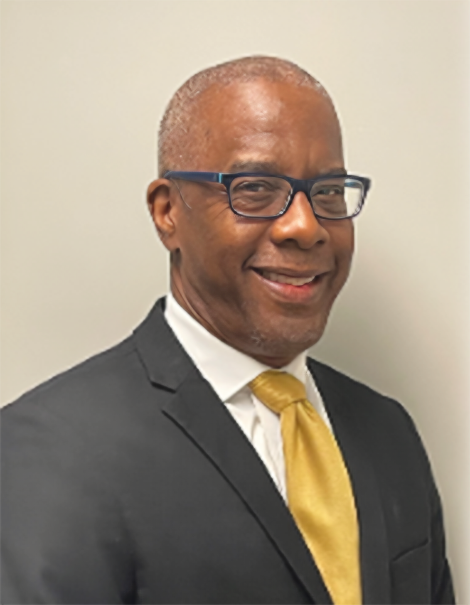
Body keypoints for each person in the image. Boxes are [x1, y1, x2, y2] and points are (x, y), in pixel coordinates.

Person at [0, 56, 455, 605]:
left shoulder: (389, 432)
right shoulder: (50, 451)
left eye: (330, 191)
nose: (305, 226)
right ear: (168, 212)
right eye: (256, 188)